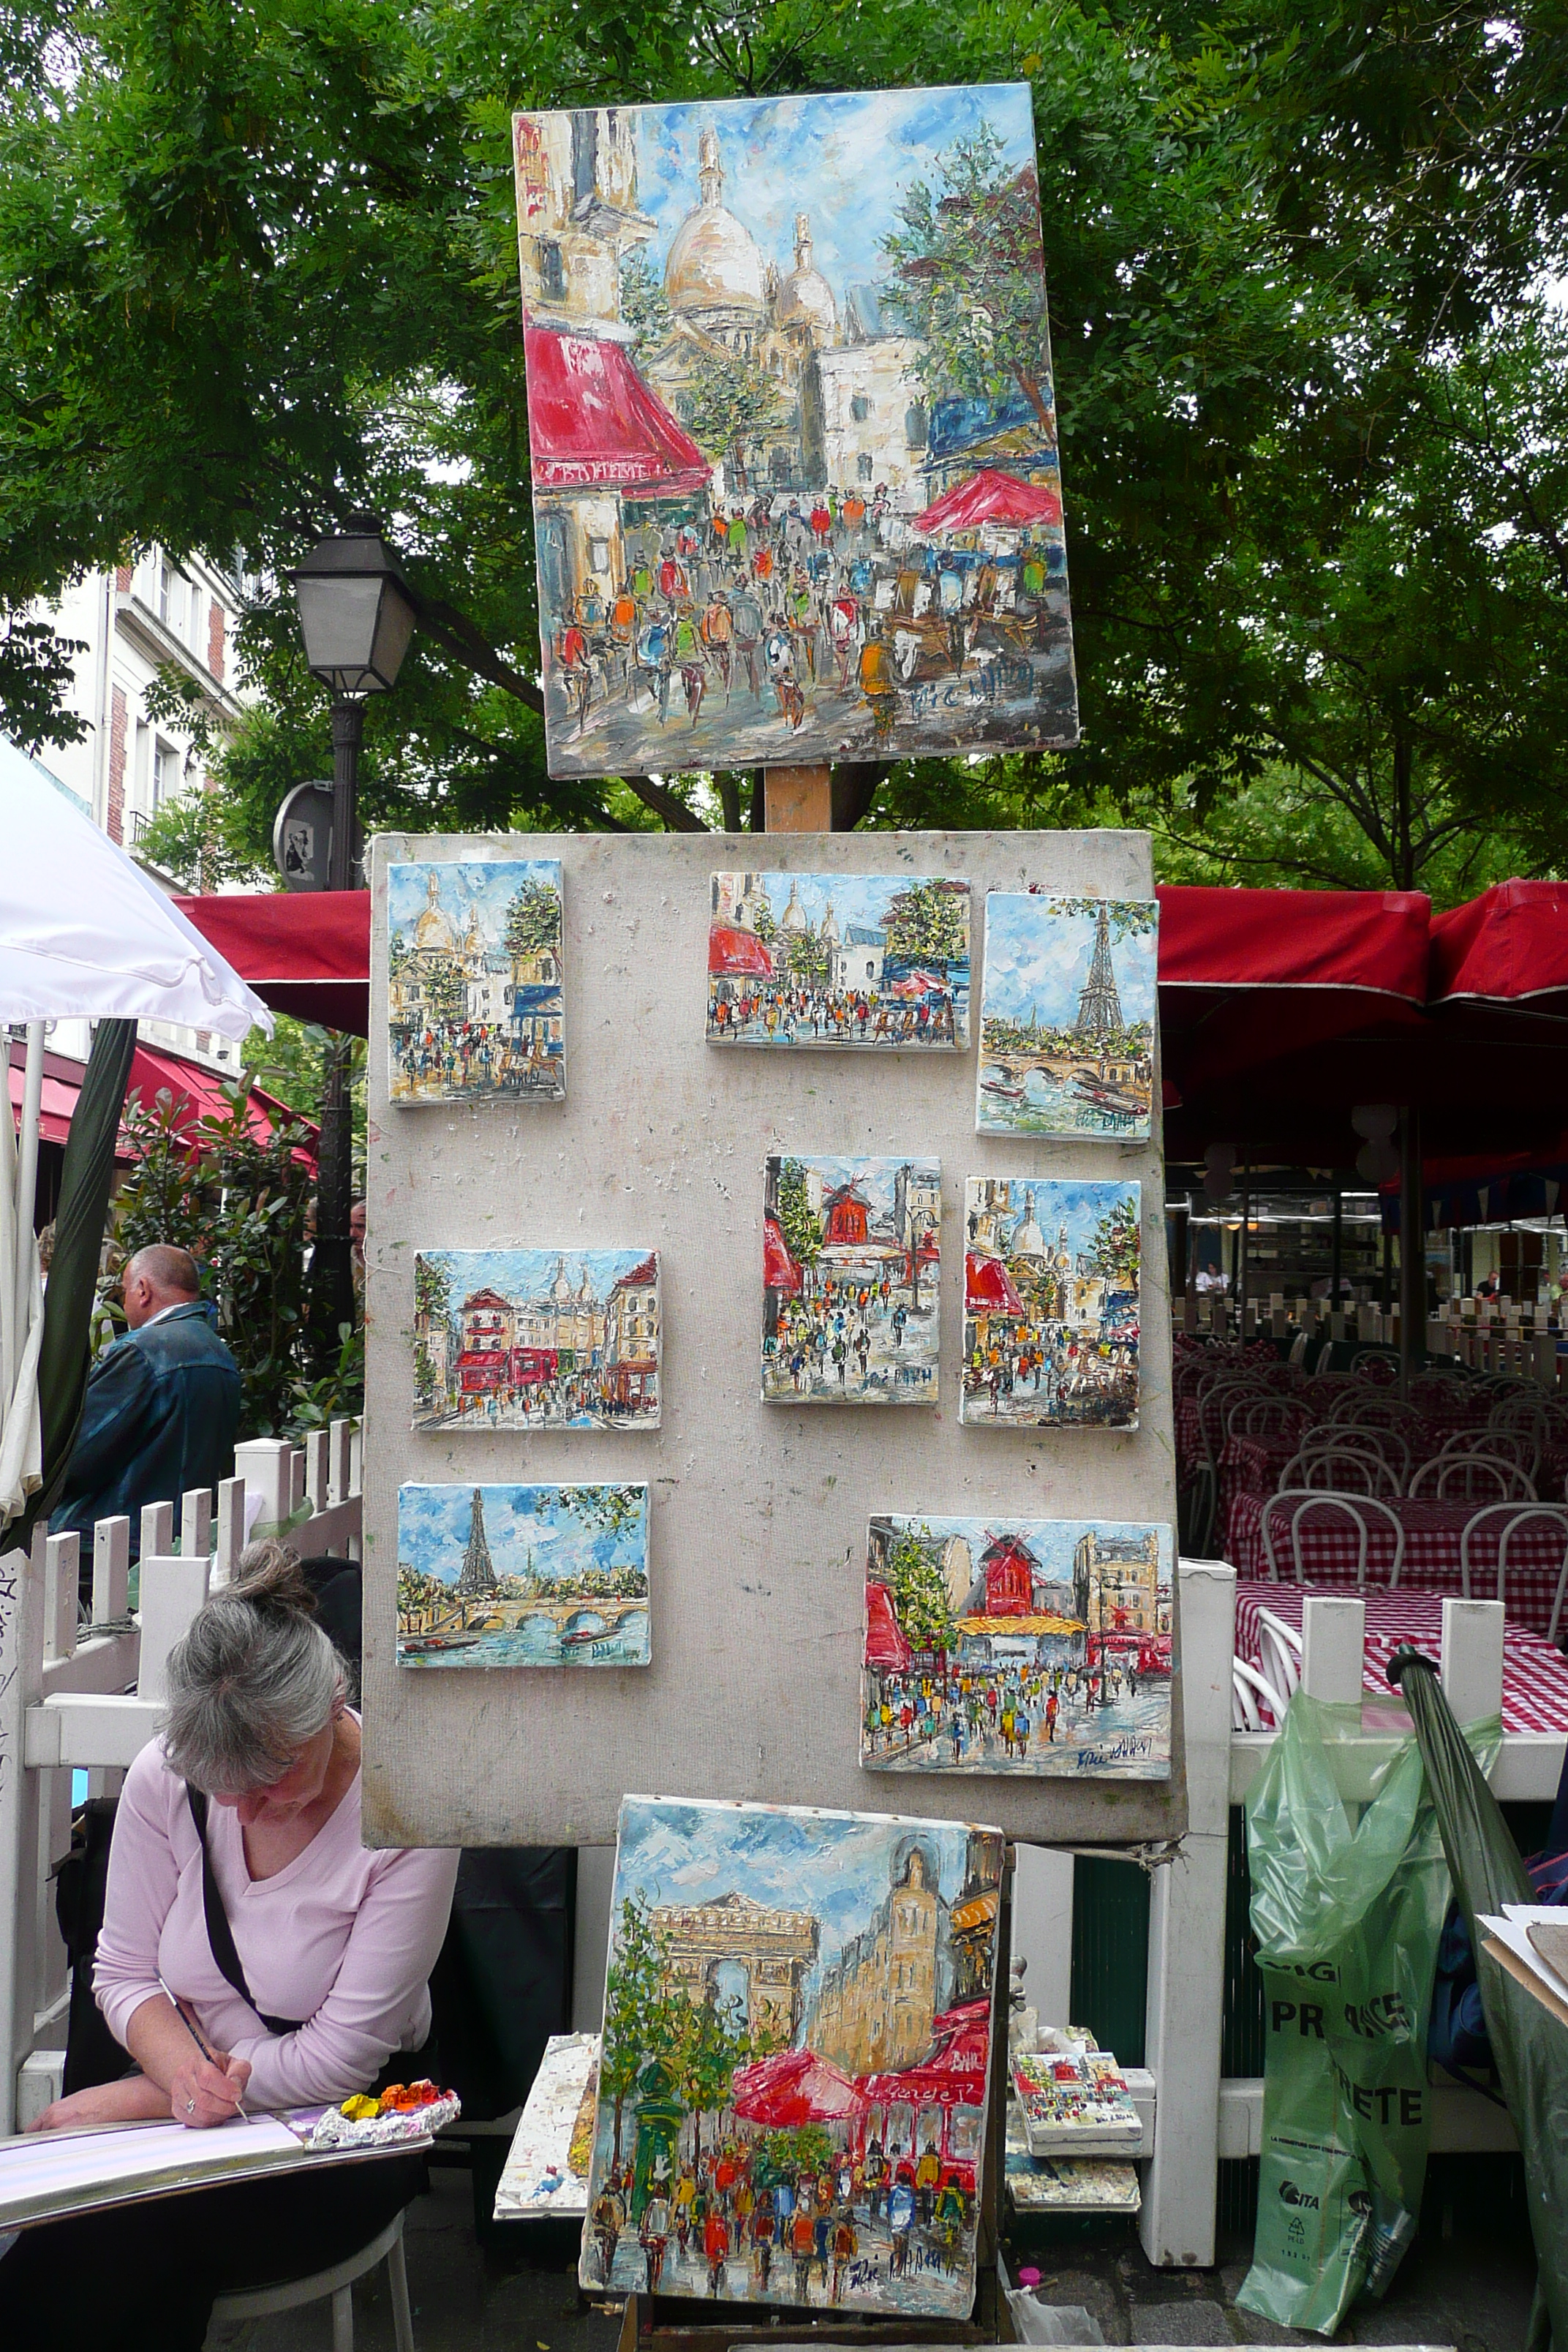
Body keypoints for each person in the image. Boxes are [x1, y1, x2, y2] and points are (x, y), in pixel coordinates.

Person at [4, 1545, 459, 2350]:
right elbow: (121, 1971)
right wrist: (187, 2079)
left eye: (272, 1782)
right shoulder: (167, 1775)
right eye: (225, 1790)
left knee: (121, 2242)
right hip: (189, 2095)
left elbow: (337, 2065)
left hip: (337, 2128)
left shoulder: (411, 1811)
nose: (243, 1814)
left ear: (333, 1706)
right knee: (88, 2243)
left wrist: (153, 2094)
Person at [51, 1244, 241, 1576]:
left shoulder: (144, 1350)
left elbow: (76, 1456)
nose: (122, 1302)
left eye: (124, 1291)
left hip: (109, 1544)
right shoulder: (218, 1351)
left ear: (142, 1290)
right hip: (180, 1539)